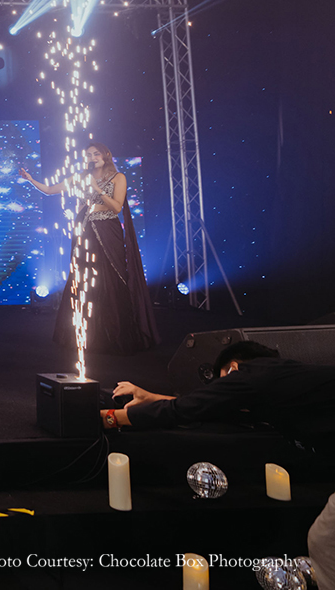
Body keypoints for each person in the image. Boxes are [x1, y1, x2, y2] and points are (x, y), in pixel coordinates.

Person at [20, 142, 158, 355]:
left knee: (111, 277)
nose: (92, 158)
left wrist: (96, 189)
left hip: (108, 230)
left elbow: (117, 207)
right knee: (85, 280)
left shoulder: (118, 177)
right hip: (84, 231)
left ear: (106, 155)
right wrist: (30, 180)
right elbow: (49, 190)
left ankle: (117, 334)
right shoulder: (81, 177)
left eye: (96, 154)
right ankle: (88, 335)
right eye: (88, 155)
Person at [103, 341, 335, 459]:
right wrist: (152, 397)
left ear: (233, 367)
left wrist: (110, 418)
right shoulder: (279, 375)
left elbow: (184, 409)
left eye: (223, 381)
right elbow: (211, 407)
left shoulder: (250, 375)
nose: (221, 390)